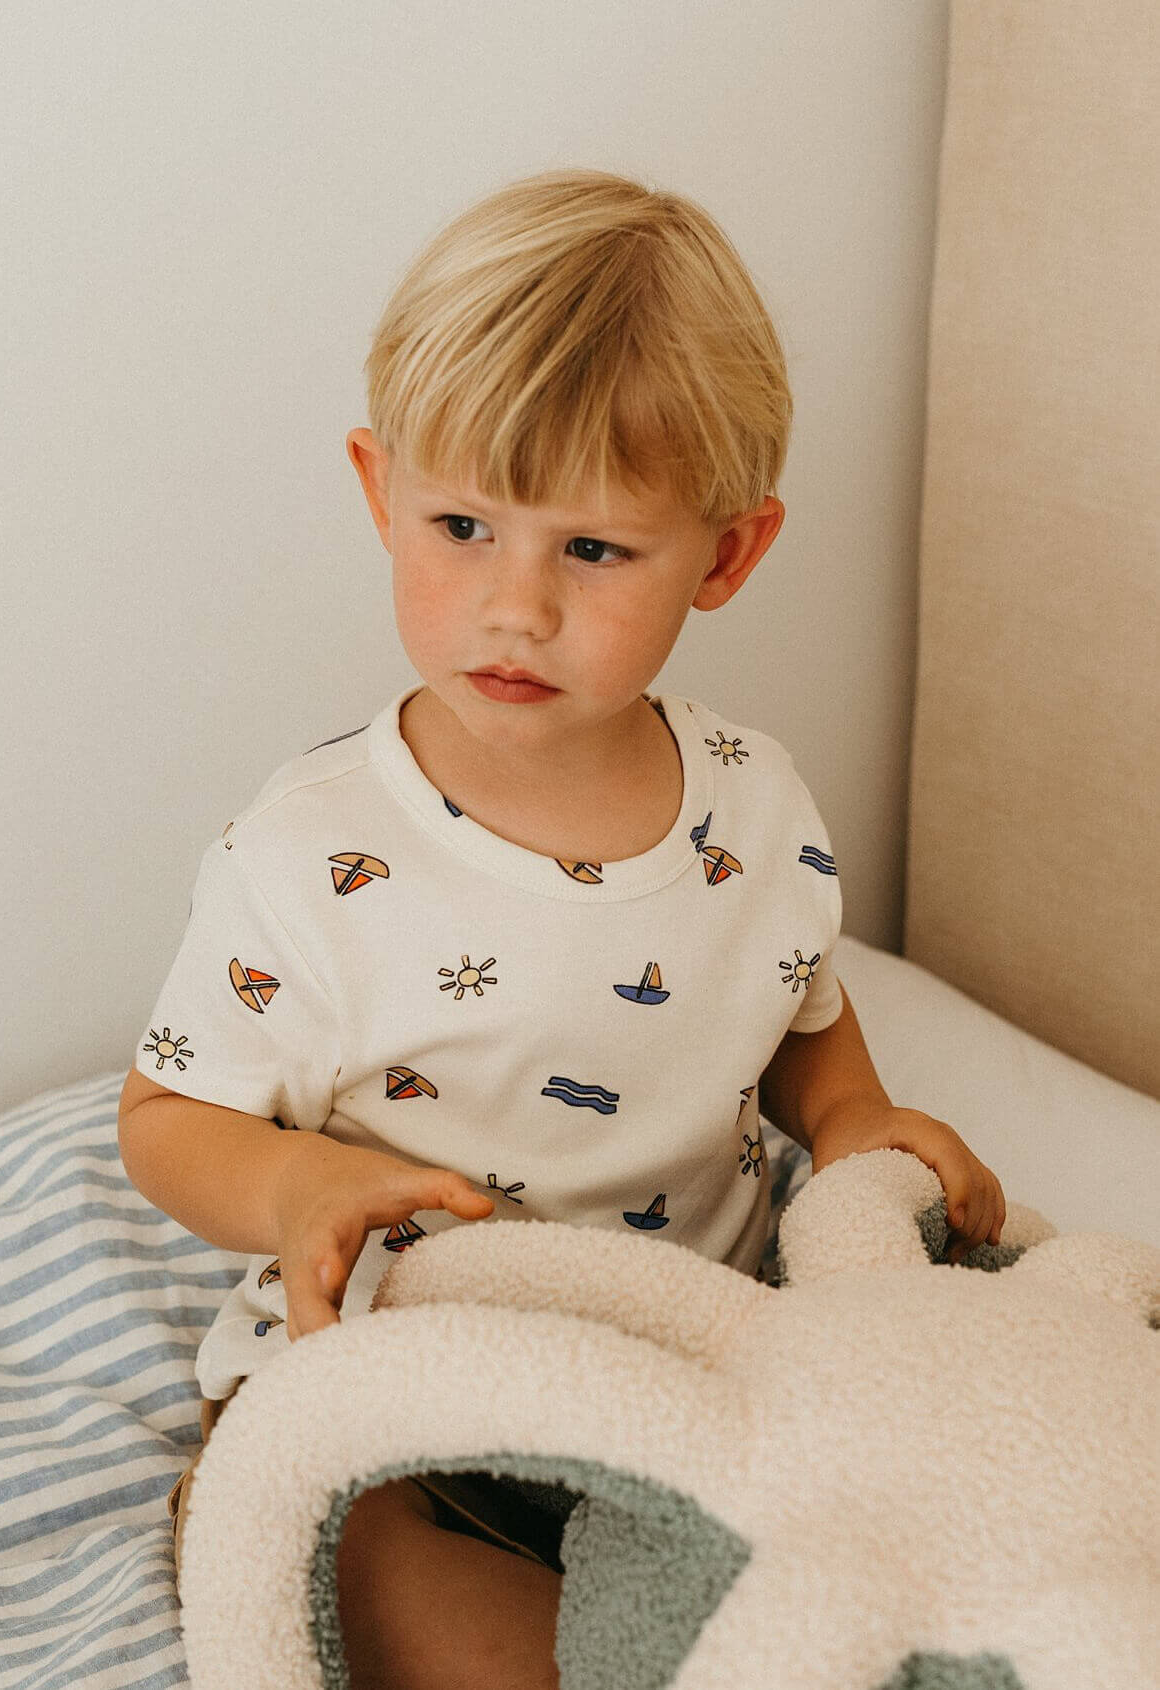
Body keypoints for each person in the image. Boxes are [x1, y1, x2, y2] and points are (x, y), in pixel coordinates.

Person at [117, 166, 1007, 1690]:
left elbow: (793, 1001)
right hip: (412, 1392)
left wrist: (851, 1111)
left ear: (725, 556)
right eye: (462, 524)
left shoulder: (753, 801)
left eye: (591, 551)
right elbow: (166, 1115)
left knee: (913, 1507)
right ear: (376, 486)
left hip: (692, 1373)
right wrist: (292, 1185)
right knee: (346, 1553)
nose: (513, 604)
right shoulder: (310, 854)